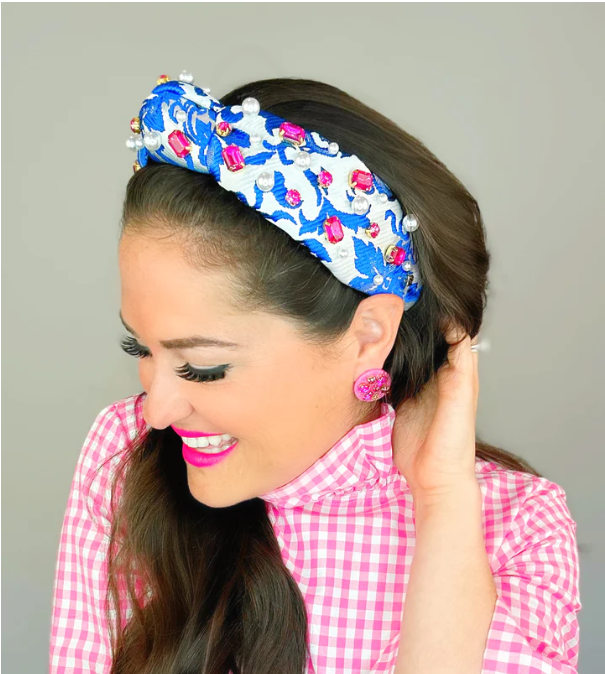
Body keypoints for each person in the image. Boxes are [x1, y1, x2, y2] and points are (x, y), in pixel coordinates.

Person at [49, 74, 581, 674]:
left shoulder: (515, 528)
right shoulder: (124, 455)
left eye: (202, 367)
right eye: (140, 347)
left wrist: (442, 503)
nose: (157, 409)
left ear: (369, 335)